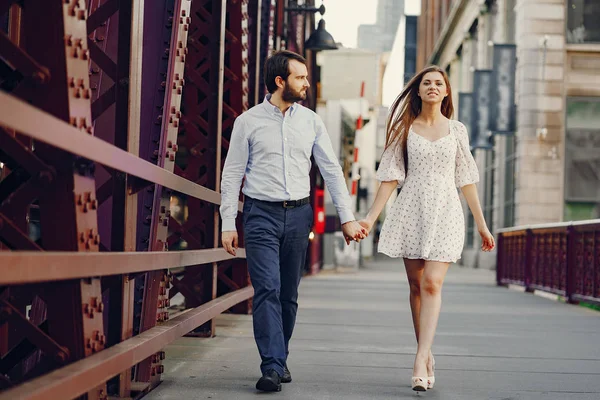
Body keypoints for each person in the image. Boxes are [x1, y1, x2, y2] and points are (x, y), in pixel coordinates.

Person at [220, 50, 367, 392]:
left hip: (299, 216)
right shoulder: (248, 122)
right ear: (279, 81)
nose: (306, 84)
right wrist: (229, 221)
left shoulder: (311, 122)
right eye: (300, 77)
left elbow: (331, 170)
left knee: (288, 294)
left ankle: (279, 356)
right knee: (267, 289)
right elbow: (232, 175)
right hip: (260, 216)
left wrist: (346, 218)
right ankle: (271, 365)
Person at [358, 65, 495, 392]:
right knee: (417, 286)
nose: (433, 87)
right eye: (427, 83)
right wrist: (369, 218)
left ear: (446, 91)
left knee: (433, 283)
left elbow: (467, 180)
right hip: (412, 209)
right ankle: (427, 351)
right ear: (418, 91)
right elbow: (390, 178)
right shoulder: (405, 128)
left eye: (439, 83)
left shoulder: (457, 131)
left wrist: (482, 225)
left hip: (446, 210)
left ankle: (420, 358)